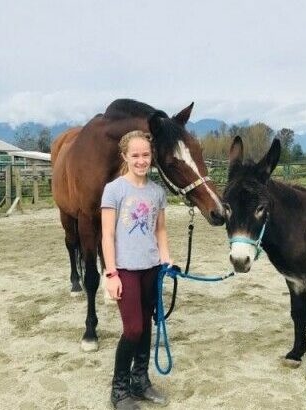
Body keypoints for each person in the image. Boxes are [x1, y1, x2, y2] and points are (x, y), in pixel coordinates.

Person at [101, 130, 170, 409]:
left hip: (151, 268)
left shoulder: (157, 192)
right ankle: (119, 390)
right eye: (135, 155)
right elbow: (107, 235)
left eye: (146, 155)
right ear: (125, 157)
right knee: (133, 329)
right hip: (126, 270)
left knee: (146, 327)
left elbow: (161, 229)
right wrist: (111, 273)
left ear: (151, 157)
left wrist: (167, 259)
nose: (141, 161)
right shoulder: (114, 189)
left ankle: (140, 381)